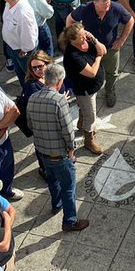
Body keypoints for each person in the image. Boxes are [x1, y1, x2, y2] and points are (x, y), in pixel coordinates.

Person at [25, 62, 90, 232]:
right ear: (59, 81)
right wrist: (71, 151)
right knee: (69, 187)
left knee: (53, 181)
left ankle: (56, 204)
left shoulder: (33, 98)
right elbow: (68, 131)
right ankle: (70, 221)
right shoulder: (59, 101)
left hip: (42, 152)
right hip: (60, 155)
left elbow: (30, 124)